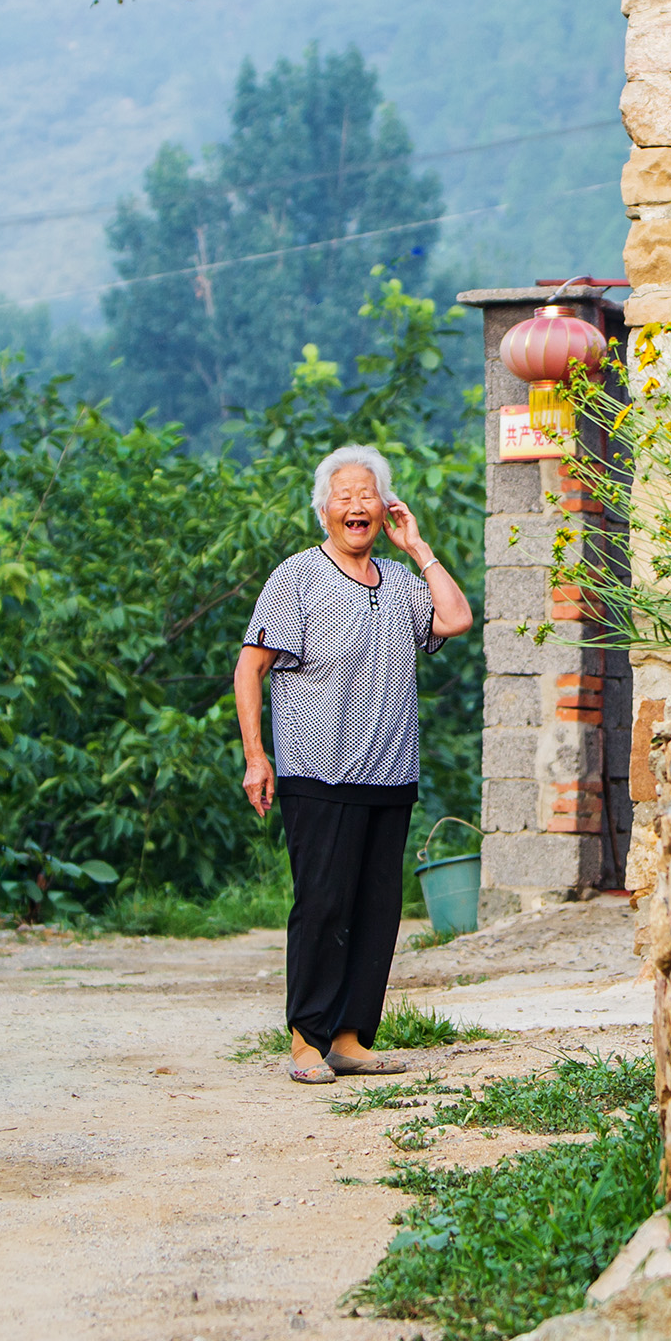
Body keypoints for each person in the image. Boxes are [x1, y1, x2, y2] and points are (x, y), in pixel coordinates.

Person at [234, 443, 474, 1084]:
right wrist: (257, 757)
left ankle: (348, 1036)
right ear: (323, 511)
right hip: (314, 769)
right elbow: (250, 667)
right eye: (343, 497)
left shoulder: (400, 582)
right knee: (323, 902)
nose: (355, 506)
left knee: (375, 909)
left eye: (366, 495)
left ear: (385, 507)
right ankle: (306, 1040)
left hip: (388, 771)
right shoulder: (296, 577)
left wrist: (418, 547)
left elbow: (457, 617)